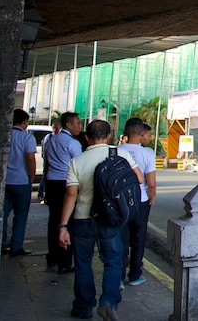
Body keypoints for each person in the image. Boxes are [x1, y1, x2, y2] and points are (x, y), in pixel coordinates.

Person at [58, 119, 144, 320]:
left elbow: (71, 195)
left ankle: (83, 306)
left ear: (86, 138)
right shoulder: (120, 154)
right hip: (110, 218)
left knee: (82, 262)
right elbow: (139, 179)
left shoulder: (76, 161)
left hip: (82, 219)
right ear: (108, 137)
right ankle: (108, 301)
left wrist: (63, 226)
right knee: (113, 260)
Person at [118, 118, 157, 286]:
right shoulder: (147, 153)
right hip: (141, 200)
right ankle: (135, 275)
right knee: (139, 238)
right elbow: (151, 181)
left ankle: (118, 276)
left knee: (121, 238)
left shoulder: (117, 150)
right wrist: (152, 195)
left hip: (120, 201)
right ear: (142, 133)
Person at [45, 111, 84, 272]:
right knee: (67, 221)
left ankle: (52, 256)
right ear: (68, 125)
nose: (80, 127)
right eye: (77, 123)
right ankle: (65, 262)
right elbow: (80, 165)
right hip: (67, 183)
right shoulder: (72, 143)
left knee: (54, 219)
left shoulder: (51, 140)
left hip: (51, 182)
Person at [2, 109, 37, 257]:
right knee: (21, 214)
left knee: (3, 214)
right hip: (21, 180)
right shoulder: (27, 138)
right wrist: (32, 175)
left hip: (6, 180)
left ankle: (1, 243)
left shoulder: (5, 136)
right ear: (24, 122)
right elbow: (30, 158)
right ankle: (16, 246)